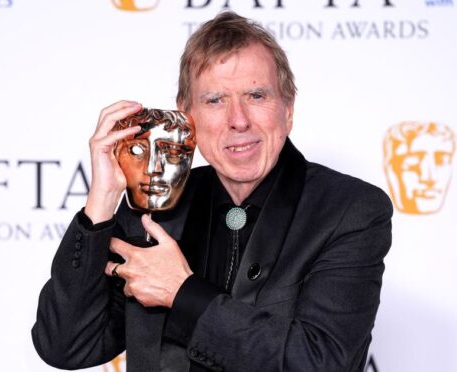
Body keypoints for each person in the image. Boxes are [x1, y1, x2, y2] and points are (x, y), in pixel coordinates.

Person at [32, 11, 393, 372]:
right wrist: (102, 203)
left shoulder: (350, 210)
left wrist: (182, 293)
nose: (238, 120)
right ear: (187, 118)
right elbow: (65, 346)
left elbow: (322, 363)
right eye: (215, 100)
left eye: (256, 95)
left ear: (288, 109)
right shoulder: (150, 212)